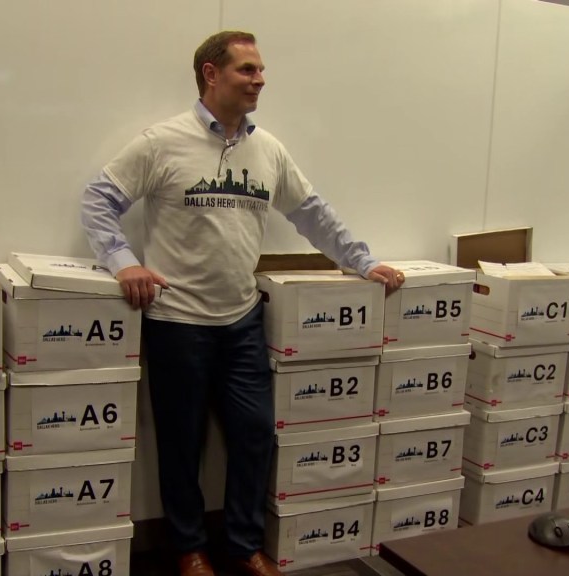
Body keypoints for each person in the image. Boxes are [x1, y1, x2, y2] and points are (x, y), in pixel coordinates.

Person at [81, 30, 404, 576]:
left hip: (241, 321)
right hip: (176, 322)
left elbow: (312, 214)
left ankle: (244, 546)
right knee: (182, 445)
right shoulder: (162, 142)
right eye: (247, 70)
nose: (260, 79)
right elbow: (99, 199)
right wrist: (123, 261)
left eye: (260, 70)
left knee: (255, 433)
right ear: (211, 74)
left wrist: (361, 261)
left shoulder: (268, 149)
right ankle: (186, 549)